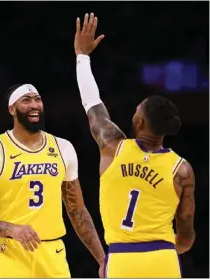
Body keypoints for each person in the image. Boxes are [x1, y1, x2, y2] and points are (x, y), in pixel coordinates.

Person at [74, 13, 196, 278]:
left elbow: (92, 105)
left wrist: (82, 56)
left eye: (136, 110)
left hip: (121, 259)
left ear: (139, 121)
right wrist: (159, 249)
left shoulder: (113, 147)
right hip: (163, 258)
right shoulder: (182, 170)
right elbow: (186, 237)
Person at [0, 83, 105, 278]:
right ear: (12, 109)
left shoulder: (63, 148)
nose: (34, 105)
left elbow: (77, 211)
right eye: (26, 100)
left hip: (53, 253)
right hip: (9, 252)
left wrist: (101, 259)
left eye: (37, 99)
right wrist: (12, 229)